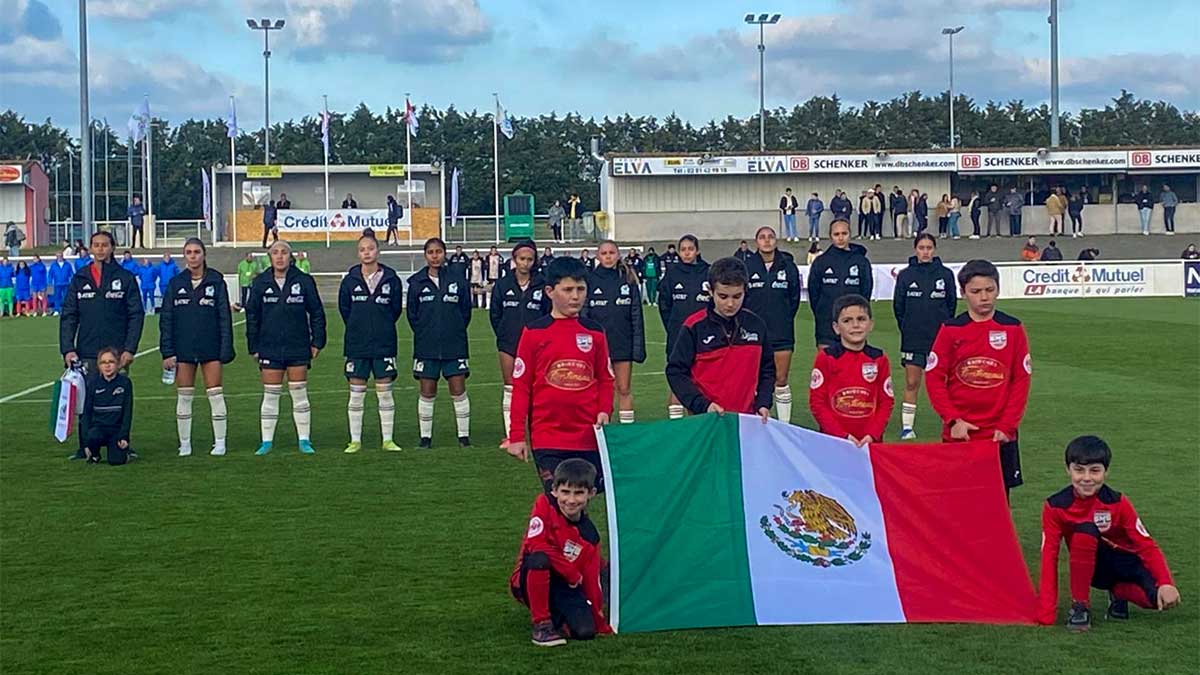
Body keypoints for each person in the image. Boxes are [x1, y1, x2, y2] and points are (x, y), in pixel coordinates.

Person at [1037, 435, 1180, 631]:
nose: (1086, 478)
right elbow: (1049, 556)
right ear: (1068, 470)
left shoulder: (1118, 502)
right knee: (1085, 530)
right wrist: (1046, 613)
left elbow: (1146, 545)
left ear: (1106, 472)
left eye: (1095, 471)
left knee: (1159, 600)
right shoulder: (1055, 506)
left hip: (1126, 563)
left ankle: (1119, 593)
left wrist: (1166, 583)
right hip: (1093, 566)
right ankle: (1080, 607)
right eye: (1079, 470)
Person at [507, 256, 614, 491]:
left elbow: (606, 379)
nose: (575, 296)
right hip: (548, 437)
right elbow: (522, 386)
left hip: (588, 437)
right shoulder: (534, 332)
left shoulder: (594, 332)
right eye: (567, 290)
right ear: (549, 291)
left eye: (580, 289)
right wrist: (516, 435)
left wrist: (605, 410)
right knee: (560, 499)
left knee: (580, 500)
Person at [925, 260, 1031, 496]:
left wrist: (1007, 426)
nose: (984, 297)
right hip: (960, 433)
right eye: (976, 292)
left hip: (999, 434)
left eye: (989, 290)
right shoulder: (951, 329)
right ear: (963, 293)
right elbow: (934, 378)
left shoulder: (1012, 328)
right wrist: (953, 420)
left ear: (998, 289)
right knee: (959, 499)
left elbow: (1021, 381)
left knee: (999, 502)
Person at [60, 231, 145, 460]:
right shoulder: (80, 277)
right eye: (95, 245)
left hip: (117, 352)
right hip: (86, 351)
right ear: (90, 248)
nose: (100, 249)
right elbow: (69, 315)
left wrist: (130, 348)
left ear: (112, 248)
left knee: (117, 399)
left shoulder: (125, 278)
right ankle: (85, 446)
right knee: (85, 401)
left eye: (104, 245)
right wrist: (68, 348)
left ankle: (121, 442)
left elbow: (136, 314)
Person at [508, 459, 611, 647]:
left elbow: (590, 579)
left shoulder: (590, 536)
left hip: (563, 586)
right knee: (539, 558)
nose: (571, 500)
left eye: (579, 493)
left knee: (585, 632)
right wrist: (570, 572)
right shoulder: (544, 504)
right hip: (528, 577)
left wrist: (600, 622)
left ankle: (558, 618)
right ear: (554, 491)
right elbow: (536, 543)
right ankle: (542, 625)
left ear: (591, 494)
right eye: (565, 492)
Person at [665, 256, 773, 421]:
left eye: (737, 296)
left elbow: (767, 369)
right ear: (710, 291)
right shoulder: (694, 326)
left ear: (746, 290)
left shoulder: (756, 325)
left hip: (746, 420)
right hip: (705, 419)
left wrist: (763, 403)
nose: (730, 304)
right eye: (723, 296)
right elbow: (675, 372)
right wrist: (702, 404)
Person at [245, 240, 327, 456]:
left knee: (299, 394)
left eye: (283, 252)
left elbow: (317, 312)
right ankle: (266, 442)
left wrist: (317, 341)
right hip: (269, 346)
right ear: (269, 257)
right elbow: (252, 316)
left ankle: (304, 440)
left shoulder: (304, 281)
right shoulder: (260, 282)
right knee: (270, 395)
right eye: (275, 252)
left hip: (298, 345)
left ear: (290, 257)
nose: (279, 256)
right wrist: (253, 346)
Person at [160, 238, 235, 457]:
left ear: (204, 255)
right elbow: (166, 319)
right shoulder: (176, 283)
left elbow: (224, 317)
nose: (193, 256)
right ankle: (185, 444)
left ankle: (220, 442)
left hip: (210, 347)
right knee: (184, 397)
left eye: (196, 252)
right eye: (188, 252)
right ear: (184, 256)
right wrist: (167, 351)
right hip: (183, 349)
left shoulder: (216, 280)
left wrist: (225, 348)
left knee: (215, 394)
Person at [338, 235, 404, 454]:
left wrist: (380, 326)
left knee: (384, 393)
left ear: (378, 251)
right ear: (358, 253)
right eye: (362, 249)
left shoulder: (392, 279)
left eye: (371, 248)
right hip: (357, 344)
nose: (367, 252)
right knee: (356, 394)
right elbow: (345, 310)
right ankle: (355, 440)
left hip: (384, 343)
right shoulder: (349, 280)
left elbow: (394, 311)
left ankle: (388, 439)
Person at [407, 237, 473, 448]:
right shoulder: (416, 282)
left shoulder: (458, 279)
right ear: (425, 255)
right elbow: (412, 315)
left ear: (445, 254)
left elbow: (466, 312)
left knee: (458, 389)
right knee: (427, 391)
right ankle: (425, 438)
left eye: (438, 251)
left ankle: (463, 437)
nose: (435, 256)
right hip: (427, 346)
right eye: (431, 252)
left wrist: (453, 329)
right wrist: (427, 332)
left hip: (454, 344)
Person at [892, 234, 956, 440]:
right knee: (912, 382)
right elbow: (898, 308)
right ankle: (907, 428)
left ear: (934, 249)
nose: (925, 251)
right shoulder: (906, 275)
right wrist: (908, 327)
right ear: (915, 249)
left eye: (929, 247)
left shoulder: (945, 275)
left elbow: (951, 305)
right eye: (921, 247)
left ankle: (949, 423)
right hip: (913, 337)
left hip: (939, 339)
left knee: (943, 384)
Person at [809, 294, 893, 446]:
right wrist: (841, 435)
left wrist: (873, 434)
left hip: (870, 442)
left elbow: (886, 402)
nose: (855, 325)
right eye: (847, 321)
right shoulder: (826, 357)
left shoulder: (879, 358)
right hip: (834, 441)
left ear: (871, 324)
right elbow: (817, 403)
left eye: (861, 319)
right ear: (836, 328)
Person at [490, 241, 550, 449]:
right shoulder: (503, 284)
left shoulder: (542, 284)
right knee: (511, 388)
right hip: (509, 343)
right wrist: (504, 334)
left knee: (536, 389)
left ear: (535, 261)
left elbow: (548, 314)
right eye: (521, 259)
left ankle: (537, 432)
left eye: (529, 259)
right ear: (514, 259)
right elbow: (495, 315)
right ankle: (511, 434)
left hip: (537, 346)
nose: (525, 263)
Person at [744, 226, 801, 423]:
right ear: (756, 241)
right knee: (754, 380)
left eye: (770, 237)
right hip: (753, 334)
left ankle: (784, 425)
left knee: (781, 379)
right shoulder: (747, 266)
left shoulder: (788, 266)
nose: (767, 241)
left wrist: (782, 317)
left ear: (776, 240)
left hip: (781, 331)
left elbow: (793, 300)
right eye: (762, 237)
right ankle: (755, 422)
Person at [585, 241, 646, 425]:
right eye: (604, 253)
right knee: (599, 391)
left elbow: (636, 316)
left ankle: (627, 430)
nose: (608, 256)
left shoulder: (627, 280)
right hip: (598, 346)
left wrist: (638, 347)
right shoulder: (589, 280)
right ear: (598, 256)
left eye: (612, 252)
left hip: (622, 343)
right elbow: (584, 316)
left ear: (618, 255)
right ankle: (602, 431)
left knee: (624, 388)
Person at [657, 235, 710, 419]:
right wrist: (673, 326)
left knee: (703, 381)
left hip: (705, 336)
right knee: (678, 379)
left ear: (697, 250)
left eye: (690, 249)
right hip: (678, 336)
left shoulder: (708, 272)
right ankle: (676, 426)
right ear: (679, 252)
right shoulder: (672, 274)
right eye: (683, 249)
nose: (687, 253)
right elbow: (664, 305)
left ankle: (700, 422)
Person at [806, 219, 872, 348]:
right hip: (826, 327)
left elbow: (866, 293)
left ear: (850, 234)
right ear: (830, 236)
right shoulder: (821, 262)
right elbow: (814, 294)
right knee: (826, 367)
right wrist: (823, 313)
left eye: (844, 233)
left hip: (854, 327)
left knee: (852, 367)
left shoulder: (861, 262)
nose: (841, 238)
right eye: (836, 234)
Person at [79, 347, 136, 465]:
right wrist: (86, 443)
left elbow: (127, 412)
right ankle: (94, 454)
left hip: (116, 430)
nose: (107, 366)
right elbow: (86, 413)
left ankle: (124, 453)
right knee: (93, 436)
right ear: (99, 366)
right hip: (98, 428)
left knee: (116, 461)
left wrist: (124, 436)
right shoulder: (93, 383)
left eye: (111, 362)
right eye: (103, 362)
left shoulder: (125, 383)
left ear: (118, 364)